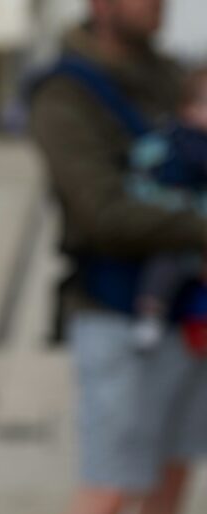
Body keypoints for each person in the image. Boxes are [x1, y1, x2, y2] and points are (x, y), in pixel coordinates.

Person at [30, 2, 207, 514]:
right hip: (113, 317)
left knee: (170, 482)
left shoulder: (169, 74)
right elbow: (97, 209)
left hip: (183, 319)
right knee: (106, 493)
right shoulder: (63, 90)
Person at [127, 68, 207, 350]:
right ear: (188, 108)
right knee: (163, 269)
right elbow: (142, 175)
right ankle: (150, 315)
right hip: (176, 231)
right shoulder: (171, 142)